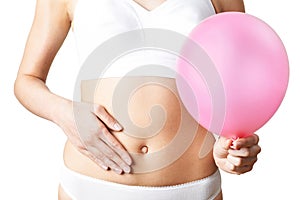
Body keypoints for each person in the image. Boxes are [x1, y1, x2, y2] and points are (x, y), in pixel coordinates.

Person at [14, 0, 261, 199]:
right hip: (90, 186)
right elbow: (27, 79)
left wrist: (230, 146)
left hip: (191, 187)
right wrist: (65, 113)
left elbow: (234, 93)